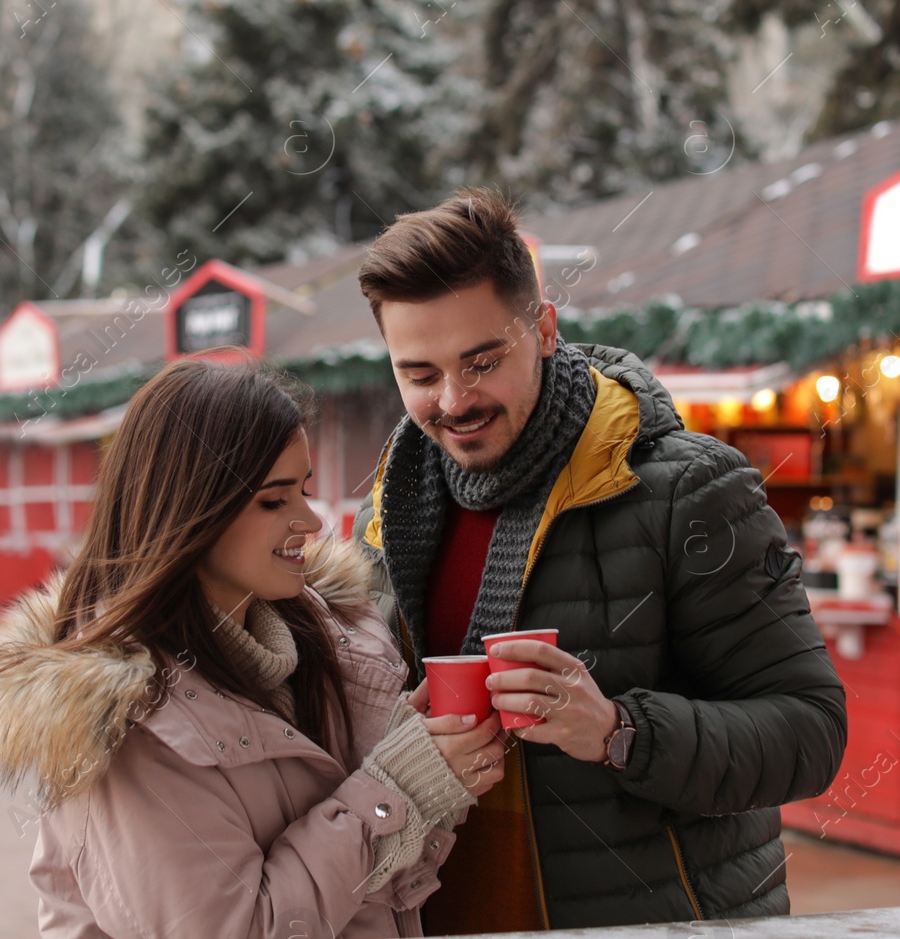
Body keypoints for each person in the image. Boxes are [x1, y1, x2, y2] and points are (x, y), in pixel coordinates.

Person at [351, 189, 849, 930]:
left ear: (545, 330)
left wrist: (620, 731)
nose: (454, 400)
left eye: (482, 361)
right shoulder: (387, 515)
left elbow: (810, 735)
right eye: (420, 374)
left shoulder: (690, 490)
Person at [0, 355, 506, 939]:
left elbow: (373, 893)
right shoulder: (126, 727)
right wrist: (395, 791)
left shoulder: (328, 644)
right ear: (191, 512)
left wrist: (430, 763)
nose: (311, 522)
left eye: (304, 489)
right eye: (274, 500)